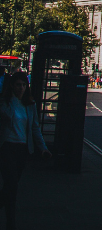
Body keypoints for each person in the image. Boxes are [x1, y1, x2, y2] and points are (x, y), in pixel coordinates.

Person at [0, 72, 51, 230]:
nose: (21, 88)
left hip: (22, 149)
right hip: (7, 147)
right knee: (12, 186)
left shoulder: (30, 104)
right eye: (18, 85)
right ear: (12, 86)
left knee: (10, 186)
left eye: (23, 85)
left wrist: (43, 148)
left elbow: (35, 128)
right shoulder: (5, 103)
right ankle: (11, 223)